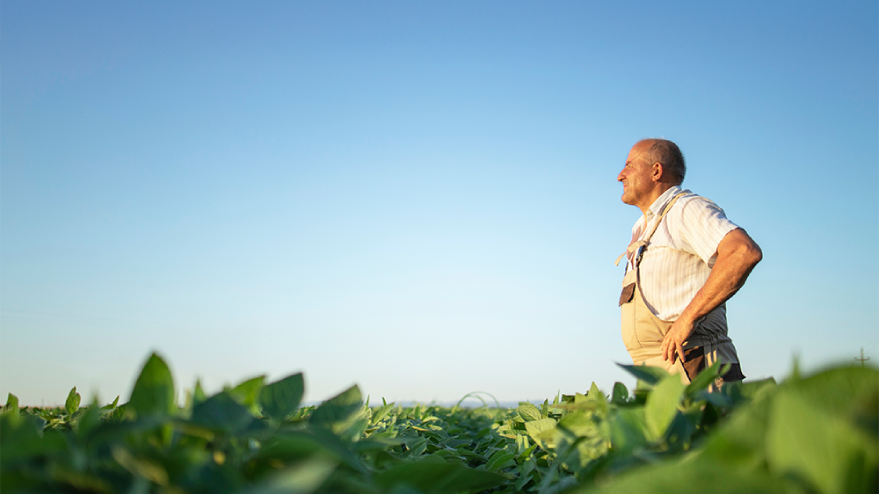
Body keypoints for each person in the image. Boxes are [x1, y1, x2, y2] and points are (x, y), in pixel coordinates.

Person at [615, 138, 762, 385]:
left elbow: (743, 251)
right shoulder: (642, 228)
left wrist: (687, 318)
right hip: (658, 375)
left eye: (629, 166)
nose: (620, 175)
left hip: (695, 366)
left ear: (656, 171)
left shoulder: (684, 208)